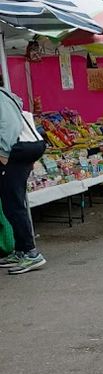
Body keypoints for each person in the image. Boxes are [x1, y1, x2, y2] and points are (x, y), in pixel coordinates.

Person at [0, 87, 47, 274]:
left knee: (14, 204)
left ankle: (31, 253)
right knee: (10, 202)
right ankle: (21, 250)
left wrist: (3, 153)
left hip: (16, 152)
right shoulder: (5, 93)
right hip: (23, 150)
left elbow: (9, 125)